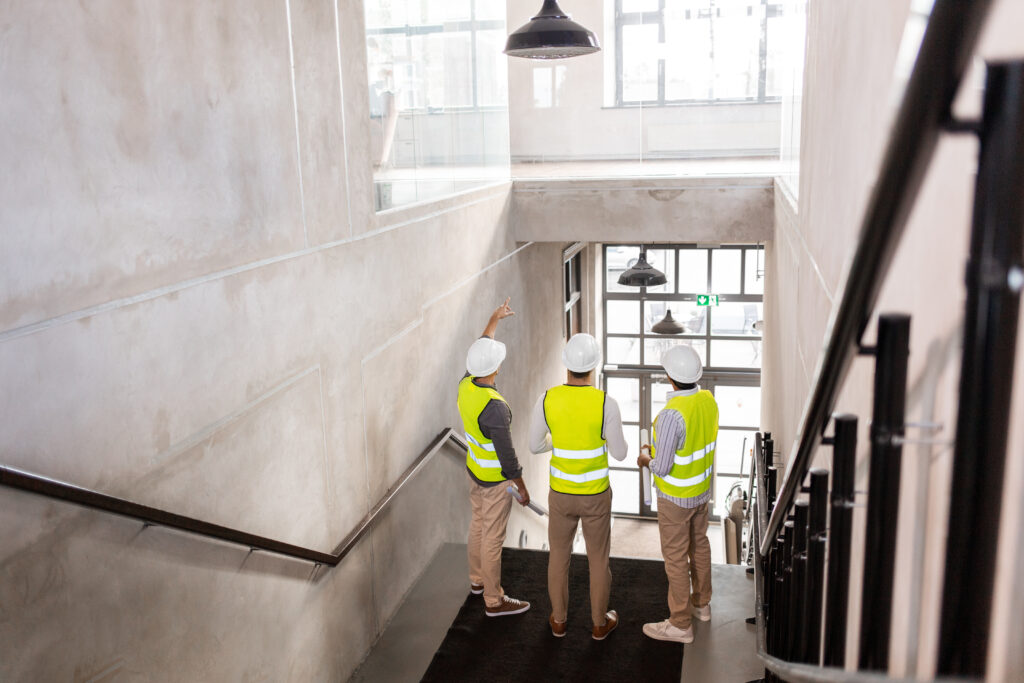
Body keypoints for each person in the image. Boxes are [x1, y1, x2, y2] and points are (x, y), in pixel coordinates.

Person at [529, 333, 627, 640]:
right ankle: (599, 624)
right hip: (596, 495)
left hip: (560, 495)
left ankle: (559, 621)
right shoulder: (605, 403)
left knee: (559, 555)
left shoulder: (547, 398)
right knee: (598, 559)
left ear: (566, 364)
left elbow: (534, 446)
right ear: (594, 365)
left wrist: (558, 441)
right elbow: (620, 452)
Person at [637, 345, 719, 644]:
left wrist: (646, 457)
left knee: (674, 558)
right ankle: (702, 605)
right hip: (700, 494)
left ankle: (680, 623)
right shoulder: (708, 401)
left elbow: (662, 466)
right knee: (700, 546)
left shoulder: (671, 416)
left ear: (668, 377)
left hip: (675, 498)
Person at [458, 297, 531, 617]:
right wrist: (522, 488)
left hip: (474, 470)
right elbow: (508, 458)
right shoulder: (495, 408)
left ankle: (476, 582)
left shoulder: (466, 384)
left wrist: (494, 317)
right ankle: (493, 600)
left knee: (477, 525)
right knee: (493, 537)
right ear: (496, 368)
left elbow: (482, 346)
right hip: (494, 482)